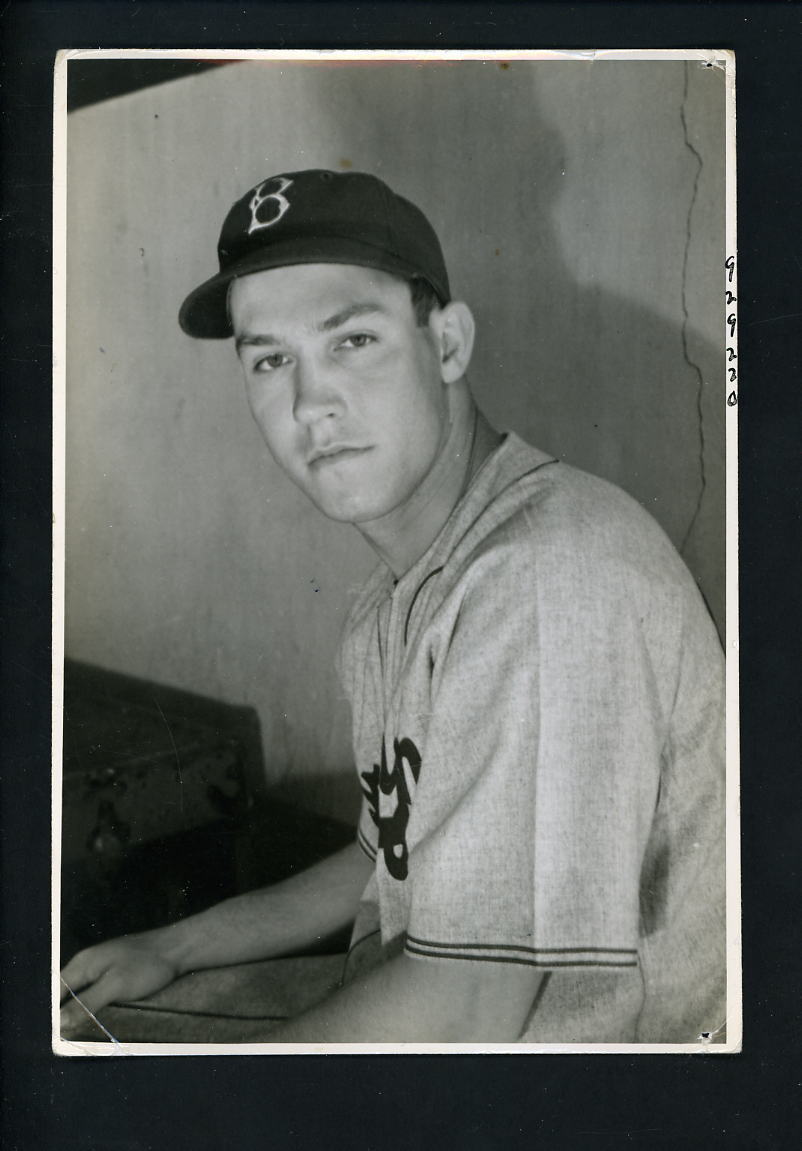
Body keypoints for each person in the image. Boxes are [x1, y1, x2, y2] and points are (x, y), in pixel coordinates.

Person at [60, 169, 726, 1044]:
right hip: (463, 1031)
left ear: (448, 344)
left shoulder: (548, 574)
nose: (310, 403)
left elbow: (467, 1009)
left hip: (610, 1091)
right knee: (90, 1022)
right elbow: (385, 859)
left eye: (352, 340)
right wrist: (176, 947)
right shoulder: (402, 590)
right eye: (271, 359)